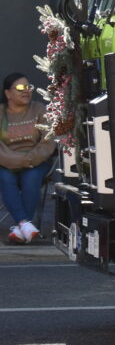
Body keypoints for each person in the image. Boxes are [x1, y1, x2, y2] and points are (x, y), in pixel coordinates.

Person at [0, 73, 54, 244]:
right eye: (21, 88)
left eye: (29, 87)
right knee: (5, 177)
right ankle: (25, 225)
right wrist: (14, 160)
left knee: (31, 178)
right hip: (5, 163)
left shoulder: (39, 109)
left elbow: (48, 140)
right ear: (8, 93)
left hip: (36, 163)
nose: (26, 91)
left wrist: (29, 159)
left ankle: (21, 226)